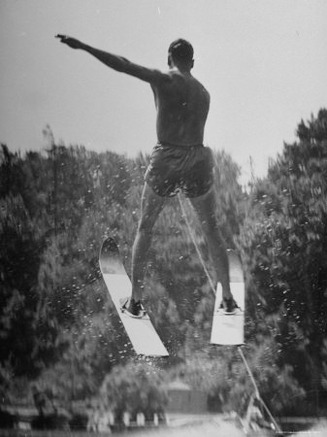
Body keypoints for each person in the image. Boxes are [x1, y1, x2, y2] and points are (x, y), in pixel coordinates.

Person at [56, 35, 238, 317]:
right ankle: (227, 298)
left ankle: (136, 302)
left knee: (146, 227)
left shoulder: (163, 80)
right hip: (199, 158)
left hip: (167, 158)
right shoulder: (204, 93)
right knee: (211, 228)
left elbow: (123, 65)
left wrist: (85, 47)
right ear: (192, 62)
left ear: (169, 59)